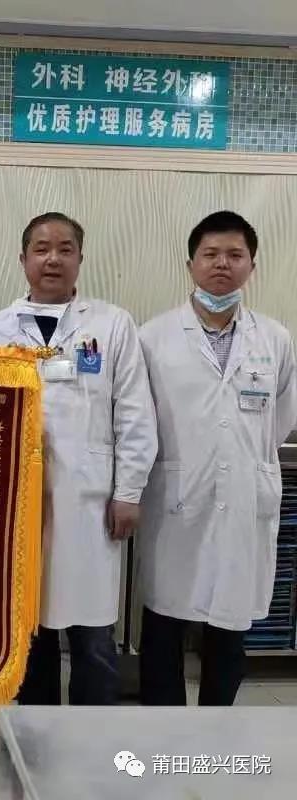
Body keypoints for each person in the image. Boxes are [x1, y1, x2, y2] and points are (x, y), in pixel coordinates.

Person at [0, 212, 157, 706]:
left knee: (93, 636)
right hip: (19, 508)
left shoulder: (112, 325)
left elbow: (135, 413)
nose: (52, 259)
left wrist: (129, 493)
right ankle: (37, 736)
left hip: (90, 504)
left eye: (64, 249)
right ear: (23, 260)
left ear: (80, 258)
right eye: (41, 249)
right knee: (29, 630)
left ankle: (91, 738)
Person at [137, 211, 297, 706]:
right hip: (176, 498)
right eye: (210, 254)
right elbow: (140, 420)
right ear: (191, 264)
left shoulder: (275, 338)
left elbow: (281, 417)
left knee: (229, 628)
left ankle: (216, 729)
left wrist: (240, 458)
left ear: (252, 265)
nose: (222, 264)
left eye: (234, 255)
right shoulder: (153, 336)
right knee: (164, 623)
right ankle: (164, 729)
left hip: (244, 496)